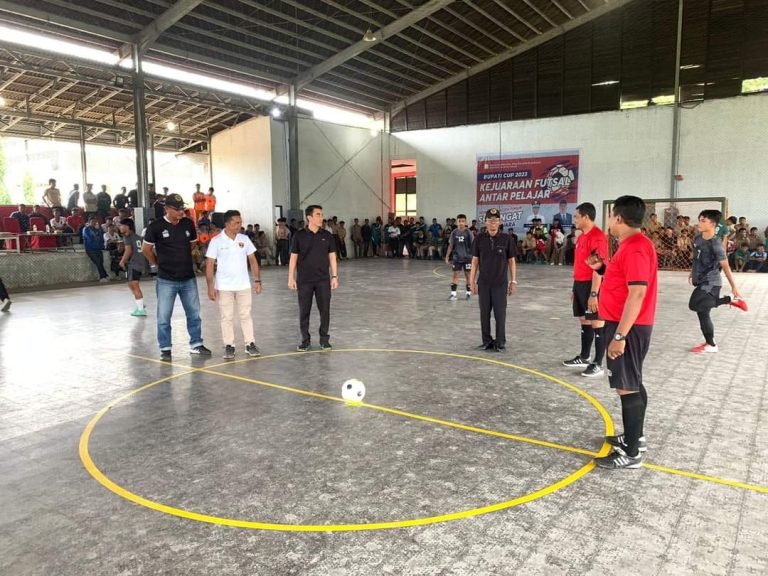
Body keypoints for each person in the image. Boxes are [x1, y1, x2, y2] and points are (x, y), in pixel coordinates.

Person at [587, 195, 657, 470]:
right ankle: (634, 438)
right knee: (633, 381)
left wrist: (620, 336)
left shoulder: (637, 248)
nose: (609, 222)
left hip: (628, 327)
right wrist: (601, 269)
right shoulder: (630, 246)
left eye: (610, 217)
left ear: (618, 217)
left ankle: (631, 454)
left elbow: (637, 294)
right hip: (625, 324)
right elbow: (623, 280)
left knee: (626, 386)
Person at [142, 193, 211, 361]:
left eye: (182, 209)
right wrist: (157, 263)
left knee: (194, 313)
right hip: (166, 279)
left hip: (188, 278)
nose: (181, 212)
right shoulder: (156, 227)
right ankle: (165, 348)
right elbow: (146, 250)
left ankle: (196, 344)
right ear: (166, 209)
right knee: (164, 316)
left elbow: (193, 244)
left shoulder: (188, 224)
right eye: (177, 209)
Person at [689, 210, 748, 354]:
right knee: (703, 313)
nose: (699, 223)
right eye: (699, 220)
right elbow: (696, 257)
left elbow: (725, 266)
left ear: (713, 224)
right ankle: (711, 344)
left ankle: (729, 300)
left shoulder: (716, 243)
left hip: (711, 282)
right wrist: (692, 272)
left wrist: (734, 286)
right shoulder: (697, 239)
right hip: (700, 279)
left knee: (694, 304)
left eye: (703, 221)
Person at [205, 210, 262, 359]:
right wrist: (210, 286)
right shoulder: (216, 241)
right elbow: (210, 264)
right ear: (227, 224)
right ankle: (229, 345)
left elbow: (253, 260)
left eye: (240, 222)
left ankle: (250, 343)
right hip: (224, 287)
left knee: (246, 315)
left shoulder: (244, 239)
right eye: (236, 222)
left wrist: (257, 280)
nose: (239, 225)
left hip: (243, 285)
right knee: (227, 317)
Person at [562, 202, 608, 377]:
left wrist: (594, 294)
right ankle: (584, 356)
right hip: (580, 283)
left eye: (577, 216)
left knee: (597, 322)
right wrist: (575, 289)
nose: (575, 219)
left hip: (592, 284)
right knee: (584, 320)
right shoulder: (581, 237)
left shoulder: (597, 237)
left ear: (586, 217)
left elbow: (598, 268)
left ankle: (598, 363)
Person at [288, 204, 338, 352]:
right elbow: (293, 258)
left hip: (323, 280)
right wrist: (291, 277)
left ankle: (324, 340)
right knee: (304, 311)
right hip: (304, 281)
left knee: (325, 310)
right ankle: (305, 340)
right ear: (309, 217)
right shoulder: (299, 235)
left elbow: (332, 257)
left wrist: (334, 276)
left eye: (322, 215)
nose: (321, 217)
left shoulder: (327, 235)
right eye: (318, 215)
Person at [469, 208, 517, 352]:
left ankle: (500, 342)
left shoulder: (507, 239)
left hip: (500, 284)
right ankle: (486, 341)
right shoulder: (479, 239)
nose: (493, 223)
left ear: (500, 222)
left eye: (495, 220)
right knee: (484, 313)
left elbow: (512, 261)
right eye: (490, 220)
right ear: (485, 222)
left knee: (499, 314)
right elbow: (475, 261)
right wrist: (471, 281)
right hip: (483, 283)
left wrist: (513, 281)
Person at [118, 218, 147, 317]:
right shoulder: (138, 237)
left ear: (127, 226)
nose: (119, 227)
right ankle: (140, 303)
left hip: (134, 263)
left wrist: (122, 261)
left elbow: (128, 250)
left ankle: (141, 309)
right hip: (140, 263)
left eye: (121, 225)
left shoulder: (127, 237)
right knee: (131, 284)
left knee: (134, 285)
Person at [445, 213, 474, 301]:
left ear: (465, 222)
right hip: (457, 258)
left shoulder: (468, 232)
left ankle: (468, 294)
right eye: (459, 221)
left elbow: (473, 246)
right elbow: (450, 245)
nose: (461, 223)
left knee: (468, 275)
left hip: (467, 258)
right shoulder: (454, 232)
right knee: (455, 275)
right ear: (457, 222)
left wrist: (476, 258)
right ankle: (453, 294)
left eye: (463, 221)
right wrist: (447, 256)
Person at [82, 217, 109, 282]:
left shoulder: (97, 229)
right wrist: (97, 238)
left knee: (101, 262)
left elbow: (101, 238)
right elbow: (90, 238)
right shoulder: (86, 229)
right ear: (89, 222)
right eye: (92, 221)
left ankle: (105, 275)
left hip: (98, 248)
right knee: (98, 262)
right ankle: (103, 276)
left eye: (95, 221)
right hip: (90, 249)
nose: (94, 223)